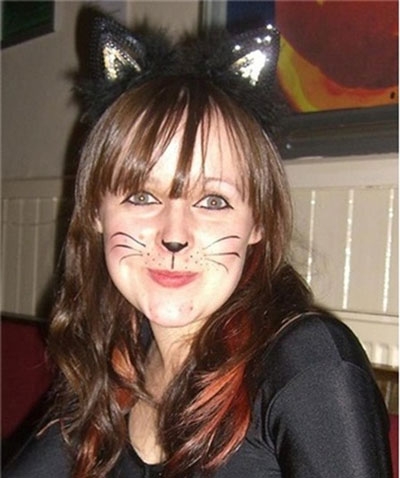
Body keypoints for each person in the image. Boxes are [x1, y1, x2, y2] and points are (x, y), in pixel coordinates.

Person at [5, 11, 392, 478]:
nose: (174, 234)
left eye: (213, 201)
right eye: (141, 196)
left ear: (258, 222)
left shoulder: (308, 364)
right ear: (95, 214)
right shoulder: (118, 360)